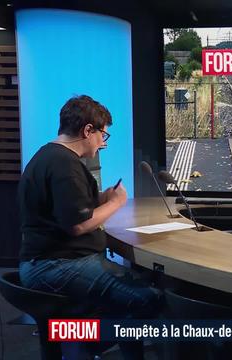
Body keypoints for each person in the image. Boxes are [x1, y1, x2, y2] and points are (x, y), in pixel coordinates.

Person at [18, 95, 161, 359]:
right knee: (147, 298)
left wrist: (99, 200)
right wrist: (117, 202)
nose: (102, 145)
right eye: (102, 136)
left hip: (45, 262)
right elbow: (78, 224)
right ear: (87, 130)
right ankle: (83, 346)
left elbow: (64, 210)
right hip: (55, 265)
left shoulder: (48, 155)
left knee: (125, 301)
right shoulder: (65, 164)